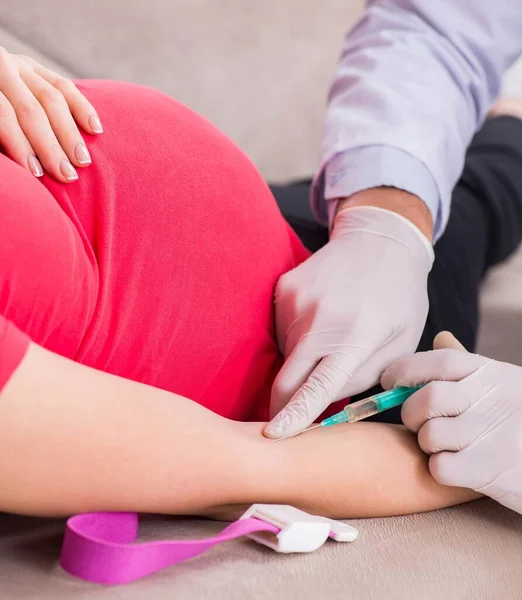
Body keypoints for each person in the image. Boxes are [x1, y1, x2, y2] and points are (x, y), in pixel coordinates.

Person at [0, 50, 521, 520]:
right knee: (481, 200)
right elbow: (254, 465)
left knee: (432, 187)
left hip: (261, 223)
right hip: (345, 351)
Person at [263, 0, 522, 440]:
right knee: (472, 197)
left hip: (277, 227)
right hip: (303, 245)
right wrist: (388, 218)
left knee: (474, 191)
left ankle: (510, 123)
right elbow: (438, 27)